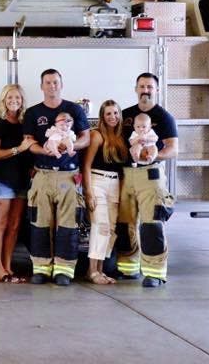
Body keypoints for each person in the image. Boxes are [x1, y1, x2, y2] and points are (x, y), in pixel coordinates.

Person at [23, 69, 90, 286]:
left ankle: (64, 270)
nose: (52, 86)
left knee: (68, 225)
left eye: (56, 82)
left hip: (69, 176)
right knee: (40, 223)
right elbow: (29, 142)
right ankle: (41, 268)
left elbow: (85, 138)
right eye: (48, 82)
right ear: (41, 86)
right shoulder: (33, 113)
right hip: (42, 174)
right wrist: (45, 151)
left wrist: (68, 146)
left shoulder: (74, 109)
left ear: (62, 84)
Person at [116, 73, 178, 287]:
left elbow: (173, 149)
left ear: (156, 90)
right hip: (126, 175)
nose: (146, 90)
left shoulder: (164, 117)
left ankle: (154, 272)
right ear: (136, 89)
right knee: (125, 224)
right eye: (142, 86)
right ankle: (128, 268)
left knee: (151, 224)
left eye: (150, 86)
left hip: (150, 175)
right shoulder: (126, 115)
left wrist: (150, 154)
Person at [0, 84, 35, 283]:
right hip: (2, 179)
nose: (14, 101)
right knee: (0, 223)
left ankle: (8, 267)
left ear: (22, 100)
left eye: (17, 98)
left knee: (14, 226)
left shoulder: (26, 123)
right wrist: (18, 149)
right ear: (3, 100)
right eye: (10, 98)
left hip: (22, 179)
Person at [82, 100, 127, 285]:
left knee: (111, 230)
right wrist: (88, 192)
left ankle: (99, 270)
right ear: (102, 116)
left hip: (114, 184)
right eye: (108, 113)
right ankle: (92, 271)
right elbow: (86, 165)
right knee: (100, 226)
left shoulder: (121, 138)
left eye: (115, 113)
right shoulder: (97, 135)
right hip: (97, 182)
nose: (112, 117)